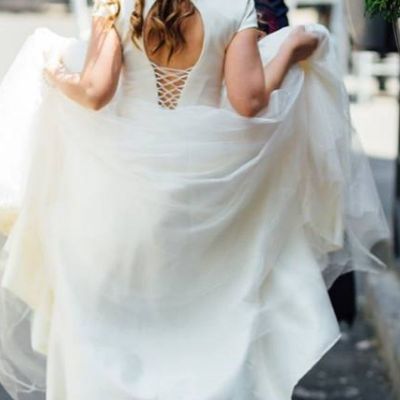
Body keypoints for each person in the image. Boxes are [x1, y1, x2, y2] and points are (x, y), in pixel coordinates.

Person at [0, 1, 390, 399]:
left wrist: (55, 72)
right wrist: (290, 49)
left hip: (125, 182)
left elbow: (94, 92)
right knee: (209, 318)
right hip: (207, 184)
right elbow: (249, 101)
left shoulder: (117, 4)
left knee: (111, 318)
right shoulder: (235, 7)